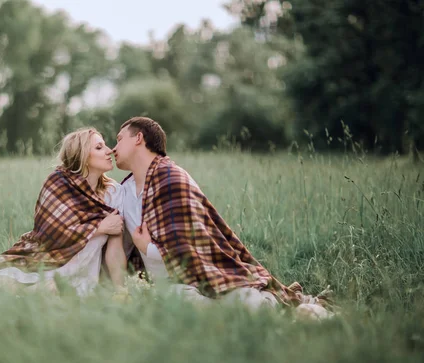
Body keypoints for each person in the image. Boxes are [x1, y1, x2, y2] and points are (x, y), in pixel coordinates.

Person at [113, 116, 332, 318]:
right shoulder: (124, 191)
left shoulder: (171, 179)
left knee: (243, 303)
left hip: (202, 278)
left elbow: (189, 250)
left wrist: (147, 248)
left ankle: (282, 309)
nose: (113, 148)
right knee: (178, 301)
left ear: (138, 138)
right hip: (169, 286)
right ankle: (266, 313)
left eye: (119, 139)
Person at [0, 128, 127, 297]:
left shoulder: (115, 193)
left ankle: (32, 294)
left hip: (83, 274)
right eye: (99, 147)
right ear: (82, 157)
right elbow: (51, 235)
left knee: (54, 292)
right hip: (45, 261)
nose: (109, 150)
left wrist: (120, 290)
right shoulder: (58, 183)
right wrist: (99, 227)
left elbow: (115, 249)